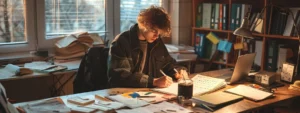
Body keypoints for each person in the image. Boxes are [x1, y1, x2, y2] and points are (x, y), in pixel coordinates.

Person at [108, 5, 186, 88]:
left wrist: (177, 71)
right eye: (154, 31)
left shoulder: (156, 41)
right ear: (143, 24)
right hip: (125, 95)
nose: (156, 36)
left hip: (149, 93)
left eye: (159, 33)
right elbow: (120, 76)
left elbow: (168, 64)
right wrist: (153, 81)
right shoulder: (122, 41)